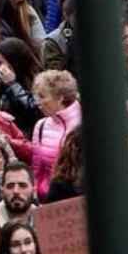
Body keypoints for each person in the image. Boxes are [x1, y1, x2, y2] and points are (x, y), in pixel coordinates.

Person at [30, 70, 81, 200]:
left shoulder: (83, 124)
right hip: (46, 200)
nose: (38, 103)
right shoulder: (40, 126)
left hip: (75, 199)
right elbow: (36, 168)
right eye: (37, 97)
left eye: (42, 96)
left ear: (60, 98)